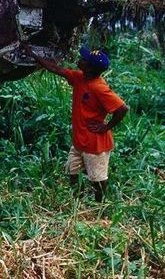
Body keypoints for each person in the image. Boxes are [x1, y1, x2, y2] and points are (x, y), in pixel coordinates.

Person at [22, 45, 129, 202]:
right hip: (80, 141)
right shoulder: (80, 77)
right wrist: (34, 56)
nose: (80, 60)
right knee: (72, 171)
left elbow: (122, 109)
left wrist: (106, 126)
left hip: (95, 144)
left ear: (90, 68)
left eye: (84, 60)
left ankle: (100, 206)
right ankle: (76, 201)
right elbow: (57, 70)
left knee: (97, 178)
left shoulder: (99, 88)